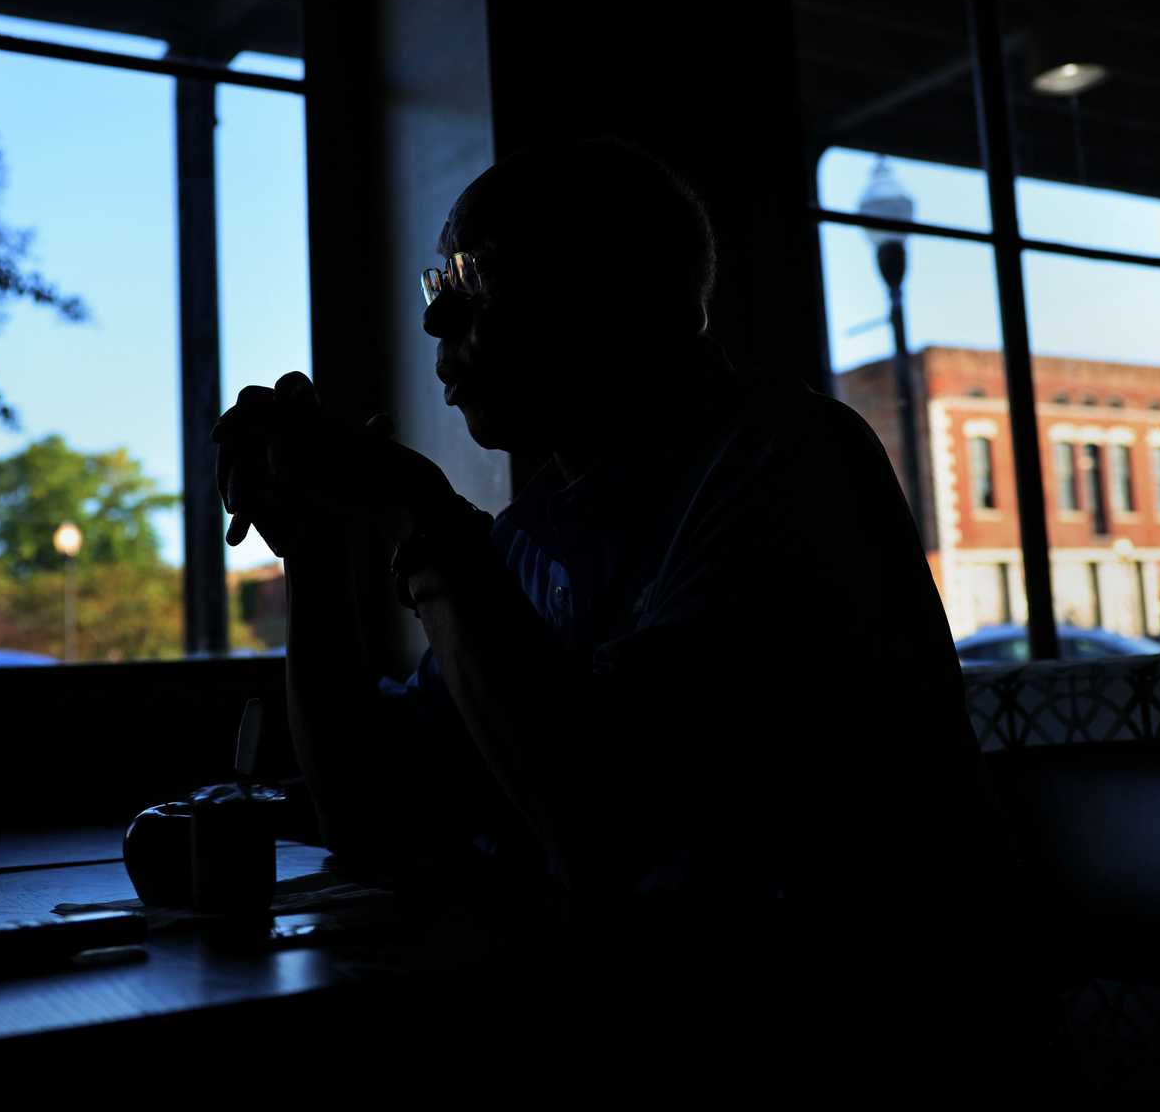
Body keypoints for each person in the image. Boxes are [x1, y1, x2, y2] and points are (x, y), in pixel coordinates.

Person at [214, 139, 1033, 1064]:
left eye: (466, 280)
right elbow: (367, 809)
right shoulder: (533, 539)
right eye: (429, 287)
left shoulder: (791, 462)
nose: (436, 321)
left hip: (871, 1037)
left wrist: (417, 515)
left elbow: (604, 819)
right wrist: (316, 556)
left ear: (604, 290)